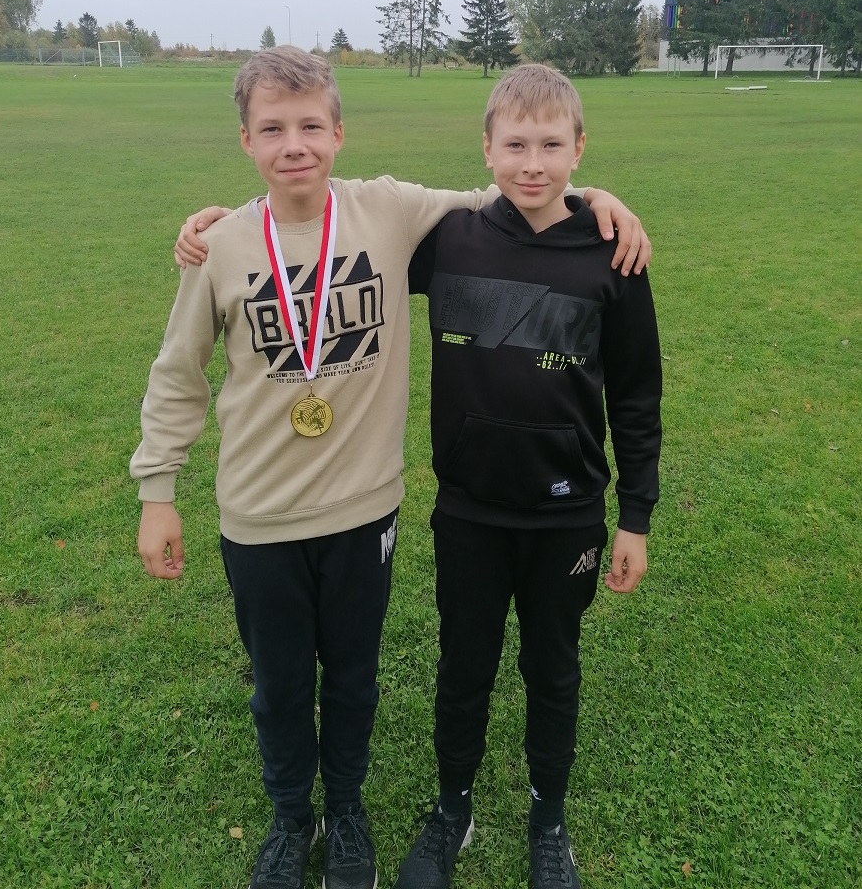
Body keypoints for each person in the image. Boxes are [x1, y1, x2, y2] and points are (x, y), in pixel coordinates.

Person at [138, 47, 649, 889]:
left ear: (339, 133)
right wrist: (158, 490)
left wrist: (599, 200)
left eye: (311, 126)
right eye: (273, 129)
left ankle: (345, 812)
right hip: (258, 516)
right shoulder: (223, 246)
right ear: (246, 140)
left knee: (354, 679)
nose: (294, 144)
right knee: (277, 687)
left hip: (363, 510)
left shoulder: (387, 211)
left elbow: (514, 195)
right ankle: (291, 819)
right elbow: (177, 374)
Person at [392, 65, 663, 889]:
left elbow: (637, 395)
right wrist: (231, 223)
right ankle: (453, 809)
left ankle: (549, 821)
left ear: (579, 148)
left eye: (551, 145)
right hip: (469, 513)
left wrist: (636, 516)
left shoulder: (615, 255)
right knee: (463, 668)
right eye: (515, 145)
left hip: (566, 517)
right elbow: (333, 235)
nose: (533, 164)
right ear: (487, 148)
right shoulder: (449, 241)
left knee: (553, 671)